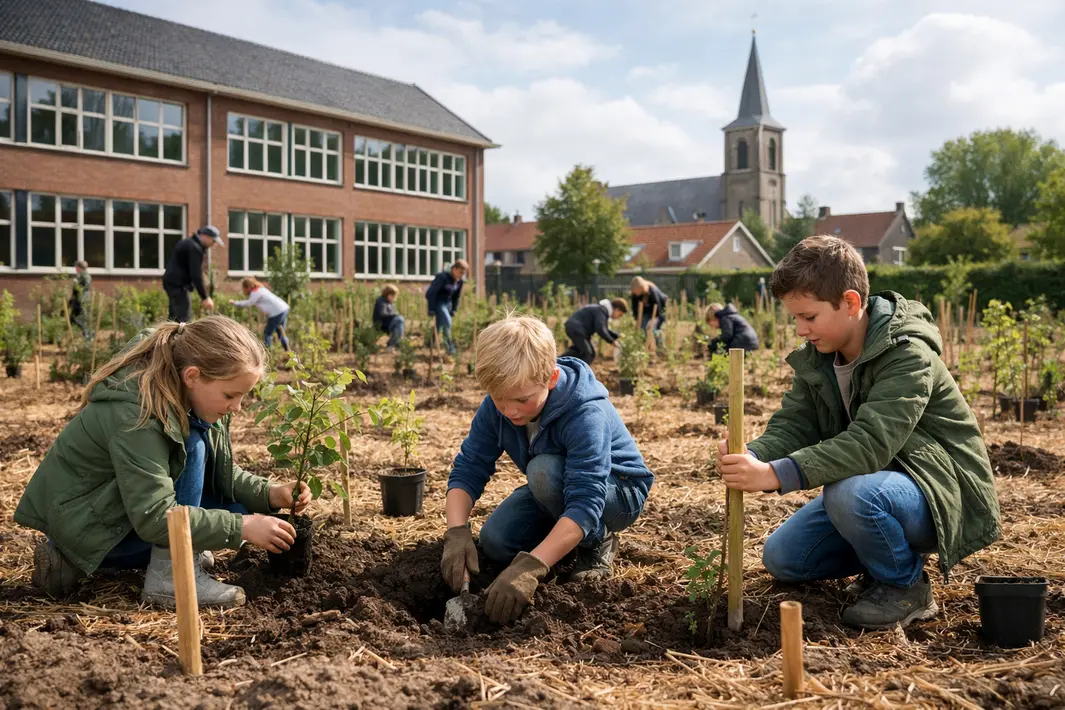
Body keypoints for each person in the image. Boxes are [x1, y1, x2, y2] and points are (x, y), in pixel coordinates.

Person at [716, 236, 1000, 630]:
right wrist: (752, 454)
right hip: (878, 486)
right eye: (794, 318)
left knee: (849, 493)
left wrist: (776, 474)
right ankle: (879, 562)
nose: (800, 330)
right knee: (784, 558)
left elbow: (870, 443)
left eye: (809, 317)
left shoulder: (908, 354)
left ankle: (905, 585)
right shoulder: (822, 356)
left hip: (938, 490)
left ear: (850, 303)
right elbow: (796, 423)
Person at [15, 316, 311, 608]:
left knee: (235, 505)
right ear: (193, 376)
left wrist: (269, 494)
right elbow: (156, 516)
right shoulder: (138, 416)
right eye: (231, 395)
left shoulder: (189, 399)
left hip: (117, 515)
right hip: (88, 526)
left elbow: (220, 475)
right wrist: (242, 527)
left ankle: (71, 563)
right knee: (197, 454)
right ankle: (167, 579)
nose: (237, 407)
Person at [441, 314, 655, 624]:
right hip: (556, 486)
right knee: (495, 541)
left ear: (551, 379)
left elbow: (585, 500)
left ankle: (598, 541)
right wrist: (456, 531)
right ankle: (562, 541)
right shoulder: (497, 406)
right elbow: (469, 467)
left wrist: (531, 567)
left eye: (522, 399)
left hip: (616, 492)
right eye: (499, 399)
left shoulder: (585, 413)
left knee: (543, 471)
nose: (509, 410)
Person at [163, 225, 220, 322]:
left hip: (171, 283)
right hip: (179, 286)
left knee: (173, 318)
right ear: (205, 236)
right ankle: (180, 337)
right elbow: (195, 274)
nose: (213, 244)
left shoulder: (187, 242)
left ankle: (168, 336)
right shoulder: (195, 248)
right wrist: (205, 297)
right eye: (213, 241)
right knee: (183, 320)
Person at [232, 277, 290, 353]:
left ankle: (267, 353)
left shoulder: (255, 293)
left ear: (248, 287)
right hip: (283, 308)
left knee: (267, 333)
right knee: (280, 332)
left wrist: (235, 303)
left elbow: (250, 303)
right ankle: (288, 351)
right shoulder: (260, 289)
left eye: (243, 288)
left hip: (276, 312)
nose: (243, 291)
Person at [562, 298, 628, 364]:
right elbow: (600, 328)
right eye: (620, 315)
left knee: (577, 351)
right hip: (576, 329)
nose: (619, 317)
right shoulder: (602, 311)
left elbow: (605, 329)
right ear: (617, 309)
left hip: (576, 328)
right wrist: (611, 340)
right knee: (589, 354)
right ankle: (580, 373)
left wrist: (617, 336)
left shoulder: (602, 310)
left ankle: (556, 363)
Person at [425, 259, 468, 355]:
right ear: (454, 269)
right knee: (447, 323)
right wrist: (431, 308)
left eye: (463, 273)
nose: (461, 275)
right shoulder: (442, 277)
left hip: (447, 304)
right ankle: (449, 347)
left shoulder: (459, 281)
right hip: (438, 302)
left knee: (438, 325)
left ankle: (429, 343)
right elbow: (431, 293)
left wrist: (454, 309)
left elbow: (456, 297)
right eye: (460, 272)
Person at [630, 276, 667, 347]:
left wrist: (655, 321)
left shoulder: (652, 291)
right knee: (642, 327)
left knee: (655, 329)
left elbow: (658, 307)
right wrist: (636, 319)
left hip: (660, 311)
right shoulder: (634, 294)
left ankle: (660, 347)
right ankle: (643, 345)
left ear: (642, 288)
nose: (637, 293)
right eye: (635, 291)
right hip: (647, 311)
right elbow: (635, 308)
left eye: (638, 290)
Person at [373, 284, 406, 349]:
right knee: (400, 319)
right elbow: (383, 314)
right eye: (393, 296)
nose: (394, 298)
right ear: (389, 294)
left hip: (388, 323)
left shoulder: (388, 302)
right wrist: (395, 315)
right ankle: (393, 344)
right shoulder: (381, 301)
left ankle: (395, 344)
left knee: (399, 323)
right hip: (382, 324)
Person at [69, 260, 92, 338]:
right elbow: (75, 291)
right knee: (73, 318)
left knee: (80, 318)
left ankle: (87, 333)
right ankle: (86, 333)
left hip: (82, 301)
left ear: (79, 267)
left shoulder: (85, 276)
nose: (75, 269)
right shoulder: (79, 276)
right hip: (77, 300)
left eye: (76, 267)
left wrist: (77, 283)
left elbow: (85, 286)